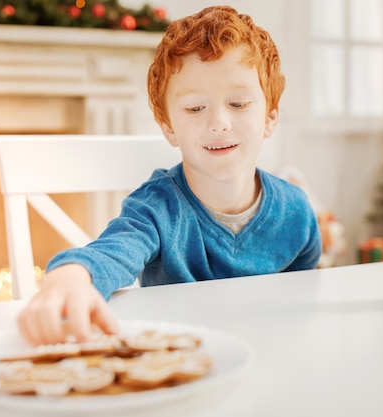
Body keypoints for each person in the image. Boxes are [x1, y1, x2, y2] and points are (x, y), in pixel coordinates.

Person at [17, 5, 322, 346]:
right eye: (195, 108)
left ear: (270, 118)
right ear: (168, 128)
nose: (219, 122)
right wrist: (71, 277)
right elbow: (113, 252)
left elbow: (302, 307)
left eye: (238, 103)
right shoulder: (156, 209)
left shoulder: (296, 212)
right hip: (181, 363)